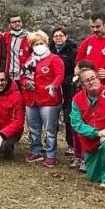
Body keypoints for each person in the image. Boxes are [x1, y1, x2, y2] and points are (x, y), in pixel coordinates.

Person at [19, 31, 65, 167]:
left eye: (41, 43)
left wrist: (53, 86)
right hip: (31, 98)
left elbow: (59, 75)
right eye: (35, 44)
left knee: (50, 129)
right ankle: (35, 150)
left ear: (46, 44)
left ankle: (51, 154)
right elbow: (23, 76)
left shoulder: (54, 59)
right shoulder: (29, 61)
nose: (38, 46)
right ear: (31, 46)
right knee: (33, 128)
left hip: (48, 100)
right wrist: (26, 82)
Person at [50, 26, 78, 155]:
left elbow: (76, 71)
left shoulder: (73, 52)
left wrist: (65, 80)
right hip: (52, 88)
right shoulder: (49, 51)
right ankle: (50, 142)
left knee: (68, 115)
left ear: (65, 37)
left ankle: (71, 144)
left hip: (68, 88)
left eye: (61, 35)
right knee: (52, 115)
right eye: (56, 36)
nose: (58, 38)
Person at [6, 13, 30, 83]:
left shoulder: (30, 37)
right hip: (9, 76)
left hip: (24, 76)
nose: (17, 23)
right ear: (9, 25)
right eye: (14, 22)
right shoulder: (6, 36)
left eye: (19, 21)